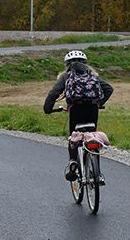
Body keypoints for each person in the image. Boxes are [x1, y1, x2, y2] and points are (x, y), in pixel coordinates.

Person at [43, 50, 113, 181]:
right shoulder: (92, 75)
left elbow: (53, 93)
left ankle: (73, 163)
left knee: (74, 137)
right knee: (93, 137)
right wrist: (99, 103)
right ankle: (97, 174)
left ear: (67, 64)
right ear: (85, 63)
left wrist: (47, 109)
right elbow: (109, 89)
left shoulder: (66, 76)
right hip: (92, 110)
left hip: (76, 110)